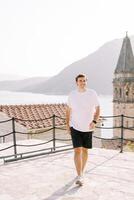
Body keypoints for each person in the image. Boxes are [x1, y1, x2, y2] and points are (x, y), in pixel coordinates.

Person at [66, 74, 100, 186]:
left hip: (88, 127)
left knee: (85, 150)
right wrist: (67, 124)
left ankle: (82, 171)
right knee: (77, 150)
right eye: (80, 81)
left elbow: (98, 108)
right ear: (76, 82)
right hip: (74, 126)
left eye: (84, 81)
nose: (82, 82)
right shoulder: (72, 94)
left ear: (86, 82)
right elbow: (68, 110)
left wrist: (94, 121)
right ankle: (80, 175)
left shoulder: (92, 93)